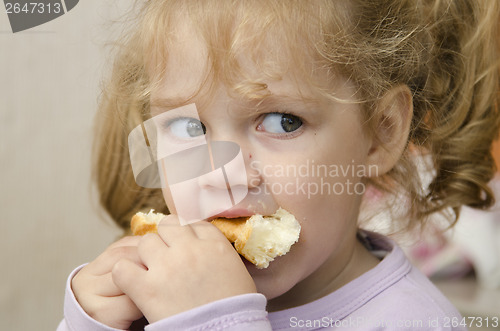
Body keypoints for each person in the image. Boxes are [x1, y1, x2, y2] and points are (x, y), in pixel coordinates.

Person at [58, 0, 500, 330]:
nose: (222, 176)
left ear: (381, 132)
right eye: (189, 128)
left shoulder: (412, 321)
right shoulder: (157, 293)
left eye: (282, 121)